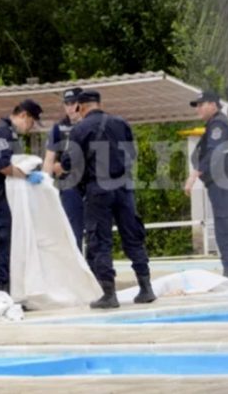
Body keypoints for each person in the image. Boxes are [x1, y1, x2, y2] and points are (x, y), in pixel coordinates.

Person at [56, 90, 156, 309]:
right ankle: (146, 288)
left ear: (80, 107)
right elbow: (132, 154)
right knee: (132, 234)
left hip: (98, 189)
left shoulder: (80, 129)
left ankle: (109, 294)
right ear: (99, 104)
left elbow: (68, 162)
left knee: (100, 240)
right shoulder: (121, 123)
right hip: (123, 187)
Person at [184, 91, 228, 279]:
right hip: (225, 184)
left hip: (226, 184)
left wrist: (195, 174)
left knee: (226, 229)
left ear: (213, 105)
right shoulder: (214, 124)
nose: (198, 108)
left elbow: (215, 151)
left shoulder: (218, 123)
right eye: (196, 105)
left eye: (201, 104)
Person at [0, 99, 44, 294]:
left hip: (5, 198)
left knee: (10, 245)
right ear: (24, 115)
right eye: (32, 121)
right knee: (2, 245)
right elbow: (1, 166)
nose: (31, 126)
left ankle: (10, 291)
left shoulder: (9, 133)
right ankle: (2, 292)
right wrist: (26, 175)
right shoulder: (2, 132)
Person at [39, 87, 85, 250]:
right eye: (67, 104)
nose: (71, 107)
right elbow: (49, 160)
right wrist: (44, 186)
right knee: (73, 230)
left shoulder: (92, 124)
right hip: (70, 185)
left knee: (97, 230)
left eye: (74, 103)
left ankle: (97, 270)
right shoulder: (59, 128)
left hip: (93, 184)